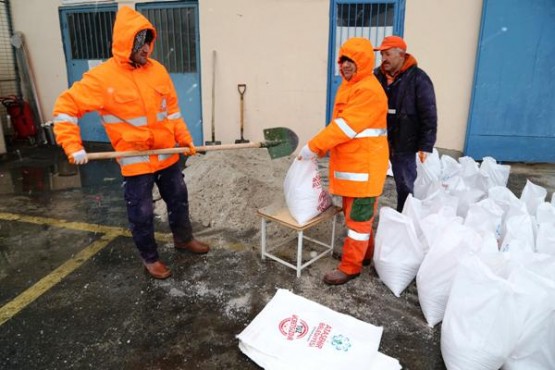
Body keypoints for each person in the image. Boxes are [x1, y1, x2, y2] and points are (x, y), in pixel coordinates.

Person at [52, 6, 209, 280]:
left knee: (179, 199)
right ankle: (150, 259)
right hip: (135, 161)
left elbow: (172, 111)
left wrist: (184, 138)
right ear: (127, 43)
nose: (147, 49)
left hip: (167, 155)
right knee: (142, 212)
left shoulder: (158, 71)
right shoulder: (102, 78)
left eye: (149, 42)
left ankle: (183, 239)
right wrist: (71, 145)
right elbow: (66, 107)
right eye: (140, 43)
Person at [298, 37, 389, 285]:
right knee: (358, 219)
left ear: (364, 62)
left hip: (365, 170)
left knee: (358, 221)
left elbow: (345, 126)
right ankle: (365, 256)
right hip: (355, 168)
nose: (346, 66)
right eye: (343, 60)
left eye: (351, 61)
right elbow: (340, 126)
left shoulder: (368, 89)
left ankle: (351, 267)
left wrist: (314, 146)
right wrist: (325, 147)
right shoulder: (349, 86)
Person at [373, 36, 437, 212]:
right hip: (378, 141)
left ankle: (405, 217)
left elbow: (429, 113)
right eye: (381, 55)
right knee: (371, 182)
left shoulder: (418, 78)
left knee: (405, 183)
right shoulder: (376, 76)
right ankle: (365, 219)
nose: (383, 58)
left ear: (401, 54)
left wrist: (426, 145)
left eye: (387, 54)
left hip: (405, 142)